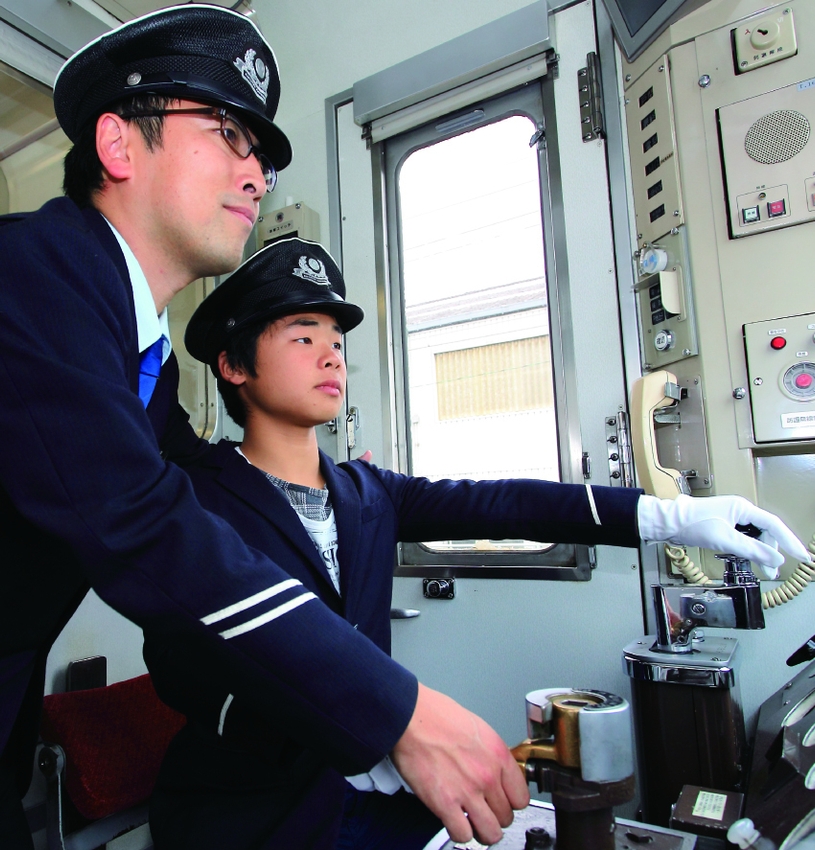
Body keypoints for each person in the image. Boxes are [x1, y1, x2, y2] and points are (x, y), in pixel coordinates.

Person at [0, 8, 527, 848]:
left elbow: (204, 490)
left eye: (263, 158)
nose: (256, 176)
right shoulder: (31, 274)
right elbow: (144, 525)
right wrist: (398, 711)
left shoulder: (144, 362)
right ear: (117, 144)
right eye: (226, 133)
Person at [142, 236, 812, 850]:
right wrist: (354, 732)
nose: (331, 356)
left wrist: (666, 517)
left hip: (367, 801)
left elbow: (504, 500)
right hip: (246, 815)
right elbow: (181, 665)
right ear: (232, 365)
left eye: (337, 342)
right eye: (300, 335)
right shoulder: (195, 495)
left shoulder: (369, 493)